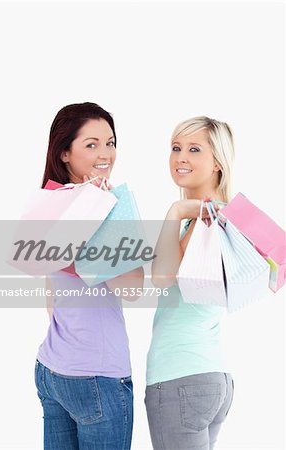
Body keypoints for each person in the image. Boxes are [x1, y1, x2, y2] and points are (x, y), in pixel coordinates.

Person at [34, 102, 143, 449]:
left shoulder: (47, 204)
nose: (105, 153)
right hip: (98, 375)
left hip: (52, 369)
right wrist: (109, 217)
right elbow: (134, 288)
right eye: (91, 144)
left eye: (110, 142)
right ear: (64, 152)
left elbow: (50, 296)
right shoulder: (100, 208)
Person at [145, 116, 235, 450]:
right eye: (176, 147)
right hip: (212, 376)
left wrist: (176, 209)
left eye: (194, 149)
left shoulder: (205, 220)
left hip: (180, 376)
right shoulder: (221, 217)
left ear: (217, 164)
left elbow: (162, 276)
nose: (181, 157)